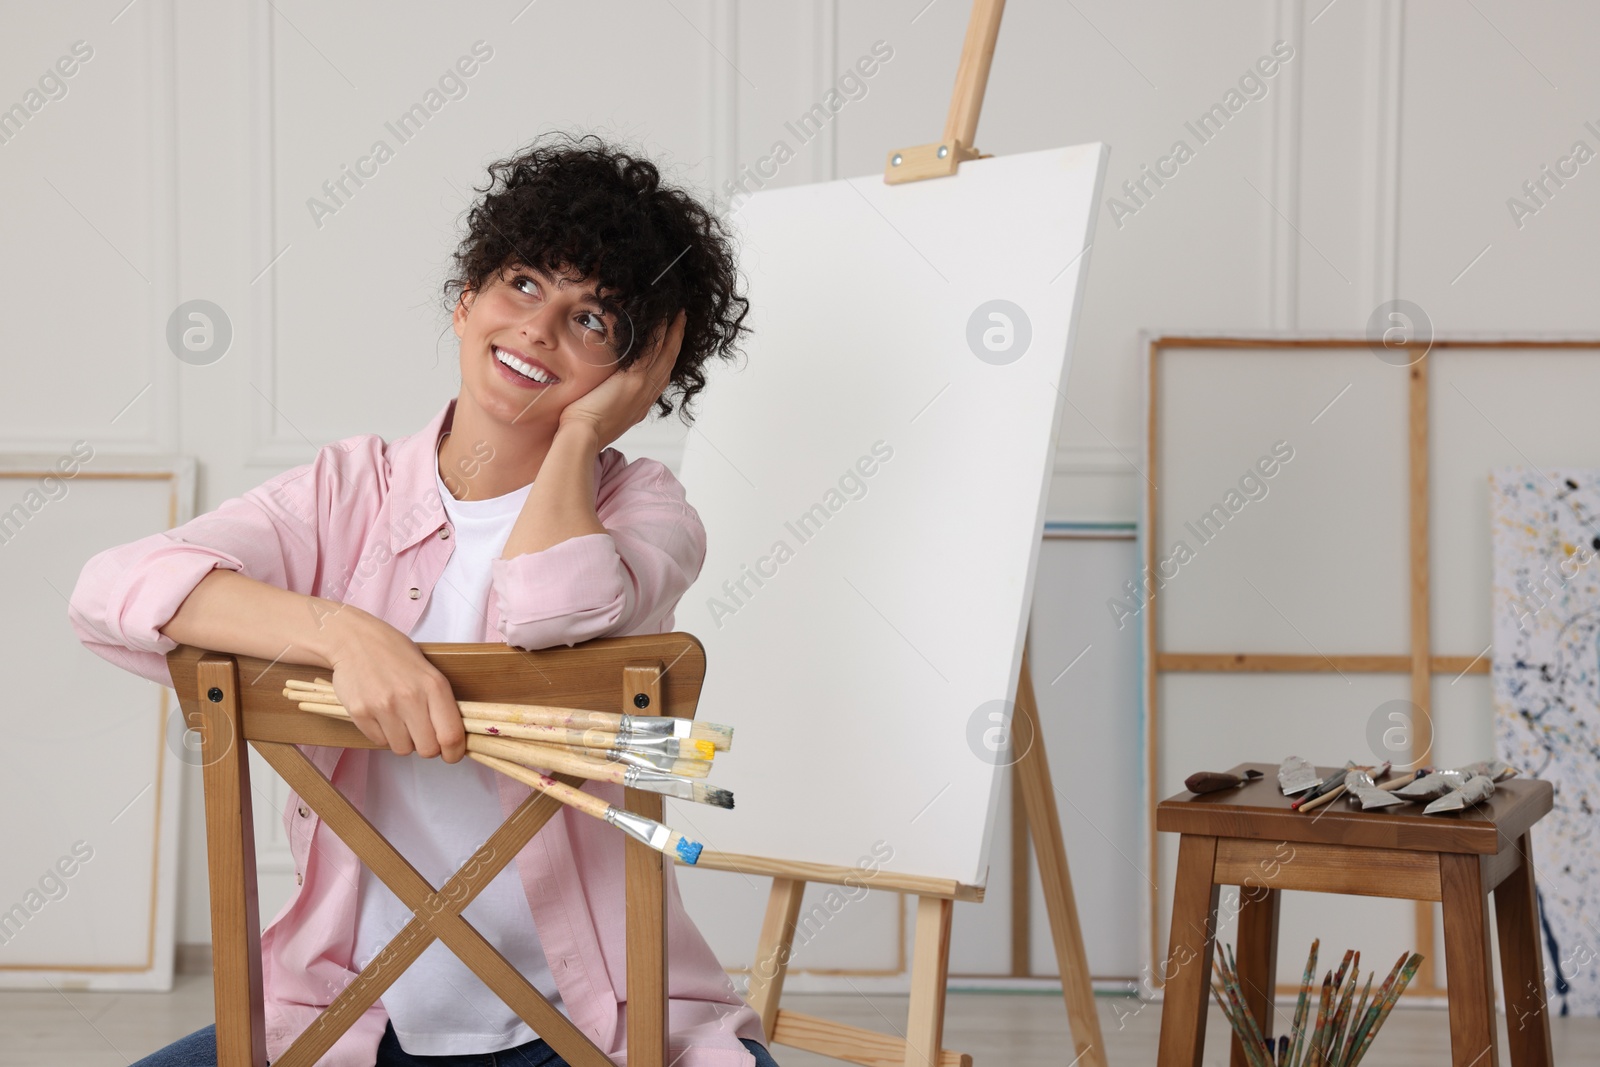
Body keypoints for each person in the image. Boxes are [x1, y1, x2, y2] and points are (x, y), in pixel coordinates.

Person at [68, 130, 778, 1067]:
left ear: (634, 374)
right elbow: (111, 588)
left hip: (597, 1023)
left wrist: (580, 440)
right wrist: (341, 630)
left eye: (593, 321)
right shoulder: (345, 490)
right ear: (466, 299)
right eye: (523, 284)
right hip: (349, 1018)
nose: (537, 328)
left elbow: (549, 612)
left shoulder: (647, 510)